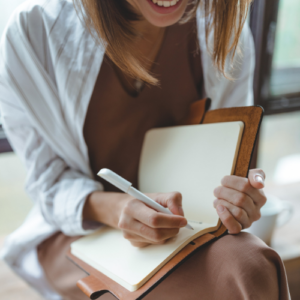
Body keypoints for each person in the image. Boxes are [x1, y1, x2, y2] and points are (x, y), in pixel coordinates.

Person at [0, 0, 290, 299]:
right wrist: (120, 209)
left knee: (250, 266)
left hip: (184, 229)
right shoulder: (35, 29)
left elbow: (227, 152)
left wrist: (237, 195)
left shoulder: (222, 27)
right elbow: (48, 182)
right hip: (81, 231)